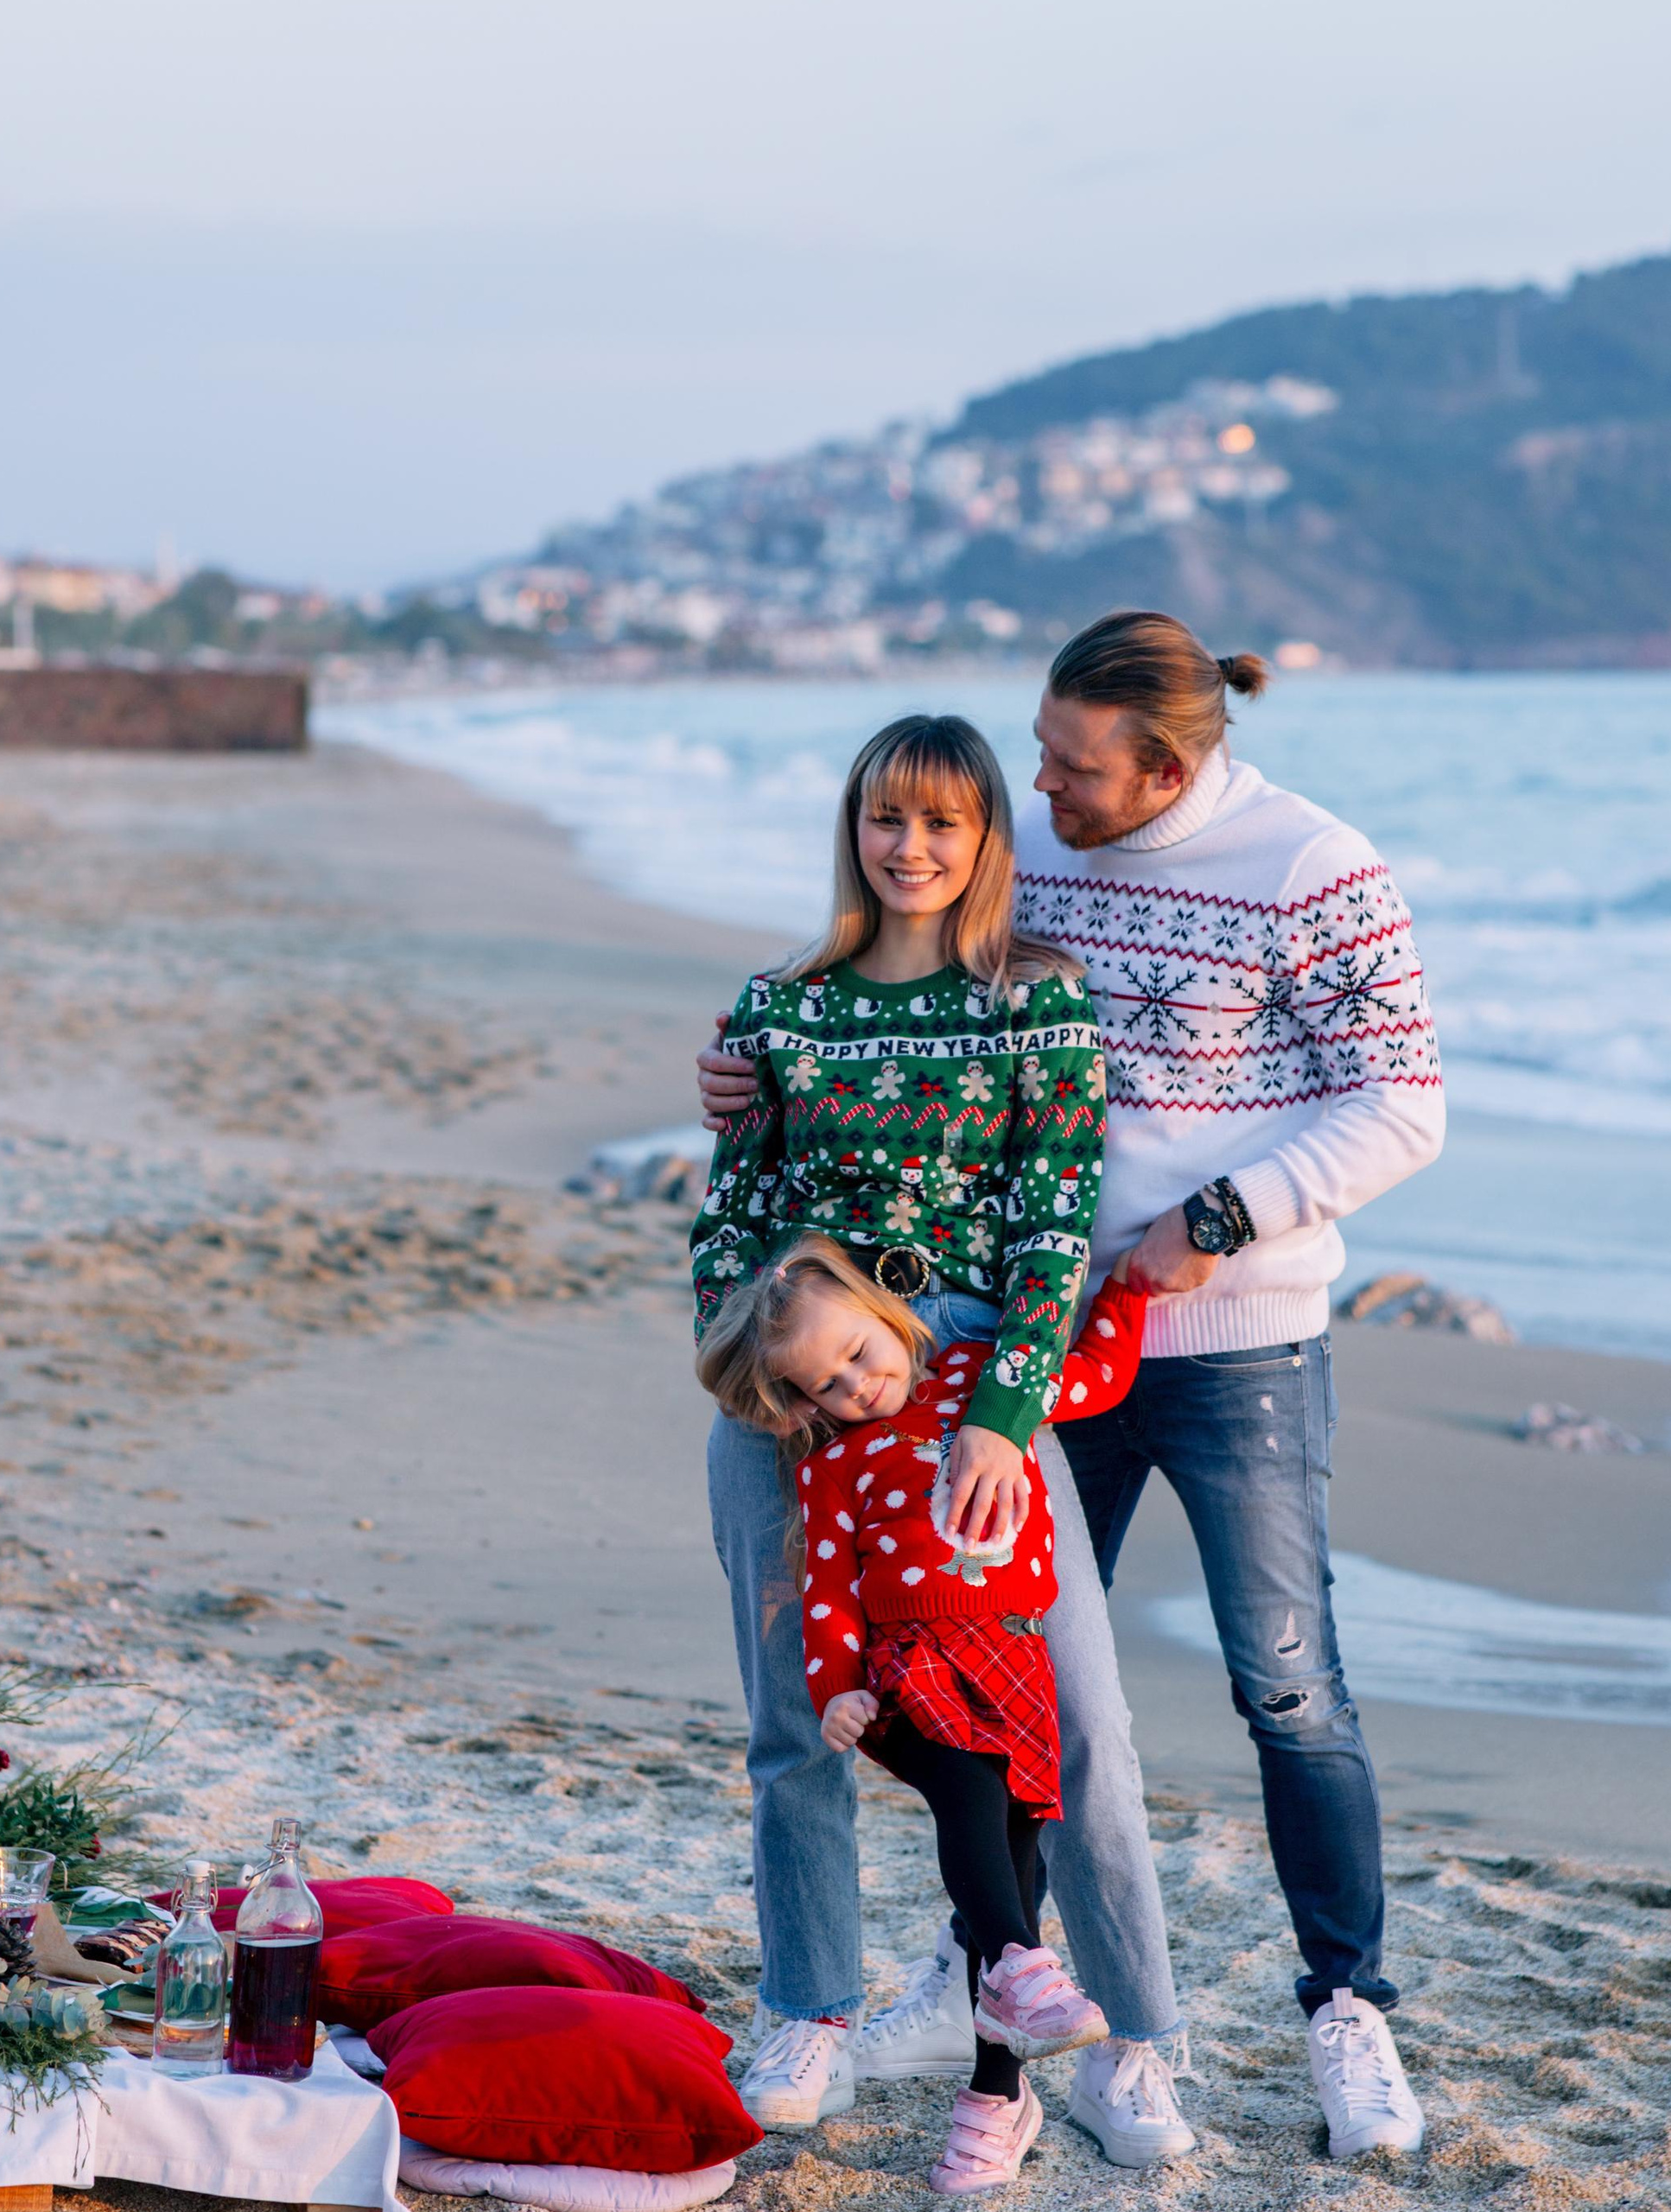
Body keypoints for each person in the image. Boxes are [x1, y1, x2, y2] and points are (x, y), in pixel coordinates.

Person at [697, 613, 1444, 2160]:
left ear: (1164, 764)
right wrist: (740, 1100)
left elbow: (1400, 1103)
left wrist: (1197, 1238)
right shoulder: (1001, 855)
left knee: (1240, 1697)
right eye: (1028, 759)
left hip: (1181, 1338)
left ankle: (1283, 2016)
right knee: (893, 1705)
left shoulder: (1309, 866)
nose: (1038, 788)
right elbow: (779, 1137)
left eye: (1066, 765)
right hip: (904, 1368)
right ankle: (914, 1998)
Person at [690, 712, 1196, 2169]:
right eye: (884, 821)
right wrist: (761, 1387)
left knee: (1079, 1720)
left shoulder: (1035, 1001)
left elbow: (1056, 1225)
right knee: (799, 1716)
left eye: (942, 825)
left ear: (987, 843)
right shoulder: (780, 1007)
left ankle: (1132, 2042)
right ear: (853, 831)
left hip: (975, 1388)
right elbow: (727, 1232)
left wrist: (1001, 1413)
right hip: (799, 1394)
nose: (909, 850)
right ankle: (808, 2009)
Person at [697, 1232, 1147, 2190]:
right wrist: (840, 1689)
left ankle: (996, 2093)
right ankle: (1024, 1967)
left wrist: (1133, 1284)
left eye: (860, 1353)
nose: (854, 1387)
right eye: (824, 1384)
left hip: (1015, 1659)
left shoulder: (989, 1397)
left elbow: (1098, 1375)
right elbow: (826, 1592)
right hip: (911, 1670)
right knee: (966, 1800)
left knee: (1017, 1840)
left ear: (890, 1314)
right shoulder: (832, 1467)